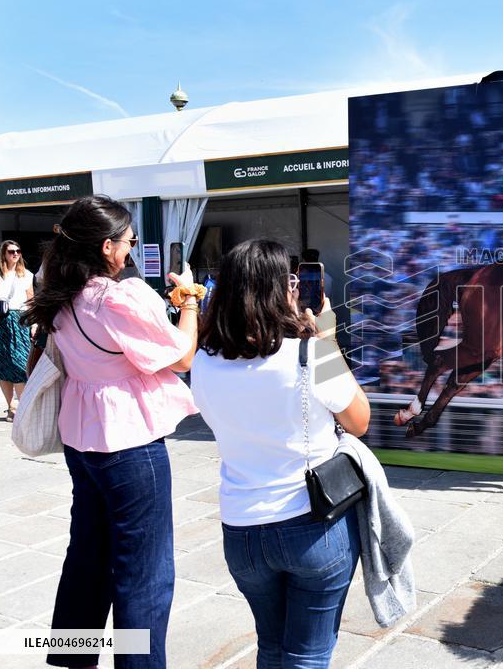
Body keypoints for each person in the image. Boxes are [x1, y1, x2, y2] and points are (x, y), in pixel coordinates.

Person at [23, 196, 200, 669]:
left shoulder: (58, 294)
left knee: (88, 556)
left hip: (82, 440)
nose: (131, 249)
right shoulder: (118, 296)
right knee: (143, 573)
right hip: (129, 443)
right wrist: (190, 302)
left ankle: (72, 659)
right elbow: (181, 356)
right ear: (106, 247)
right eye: (128, 241)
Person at [190, 239, 371, 668]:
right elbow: (359, 420)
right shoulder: (310, 353)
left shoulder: (204, 362)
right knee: (307, 655)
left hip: (242, 530)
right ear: (278, 290)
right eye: (290, 281)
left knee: (270, 647)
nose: (295, 288)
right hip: (312, 525)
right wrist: (326, 339)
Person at [0, 240, 34, 420]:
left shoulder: (27, 275)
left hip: (19, 320)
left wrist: (35, 324)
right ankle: (11, 406)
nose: (15, 254)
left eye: (18, 251)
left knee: (19, 362)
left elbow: (31, 301)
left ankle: (22, 407)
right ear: (4, 254)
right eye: (11, 251)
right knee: (1, 363)